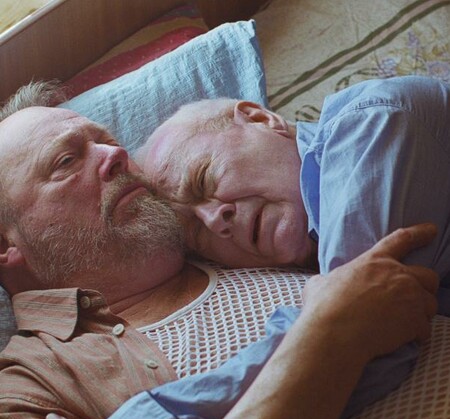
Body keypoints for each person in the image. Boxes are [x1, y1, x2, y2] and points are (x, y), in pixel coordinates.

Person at [0, 82, 438, 419]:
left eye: (109, 142)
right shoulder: (25, 392)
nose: (115, 155)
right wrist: (332, 331)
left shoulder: (276, 221)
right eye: (66, 161)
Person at [137, 76, 450, 306]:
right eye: (196, 232)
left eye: (204, 179)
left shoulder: (372, 124)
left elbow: (349, 329)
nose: (214, 220)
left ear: (260, 119)